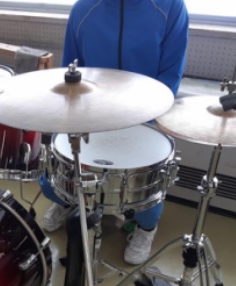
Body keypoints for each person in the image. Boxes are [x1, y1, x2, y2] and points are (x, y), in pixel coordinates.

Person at [42, 0, 189, 265]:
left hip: (145, 115)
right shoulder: (82, 9)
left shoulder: (171, 7)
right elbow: (71, 70)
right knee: (56, 175)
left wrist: (144, 118)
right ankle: (68, 202)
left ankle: (146, 228)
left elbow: (171, 73)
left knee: (145, 187)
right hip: (93, 113)